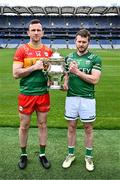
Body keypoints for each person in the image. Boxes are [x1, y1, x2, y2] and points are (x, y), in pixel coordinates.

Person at [13, 19, 53, 170]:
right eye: (33, 30)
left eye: (38, 30)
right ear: (28, 32)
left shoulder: (49, 51)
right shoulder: (22, 50)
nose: (36, 33)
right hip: (27, 94)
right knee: (24, 126)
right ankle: (23, 154)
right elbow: (16, 73)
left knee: (42, 124)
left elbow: (50, 72)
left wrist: (50, 80)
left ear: (42, 32)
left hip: (43, 94)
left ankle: (42, 154)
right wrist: (34, 67)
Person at [62, 29, 102, 171]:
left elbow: (95, 79)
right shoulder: (68, 58)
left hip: (87, 99)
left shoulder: (95, 59)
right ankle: (70, 155)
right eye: (79, 41)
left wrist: (77, 72)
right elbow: (66, 75)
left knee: (88, 128)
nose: (81, 44)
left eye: (84, 42)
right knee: (71, 127)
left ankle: (88, 157)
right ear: (75, 41)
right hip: (71, 98)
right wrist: (65, 83)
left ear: (88, 43)